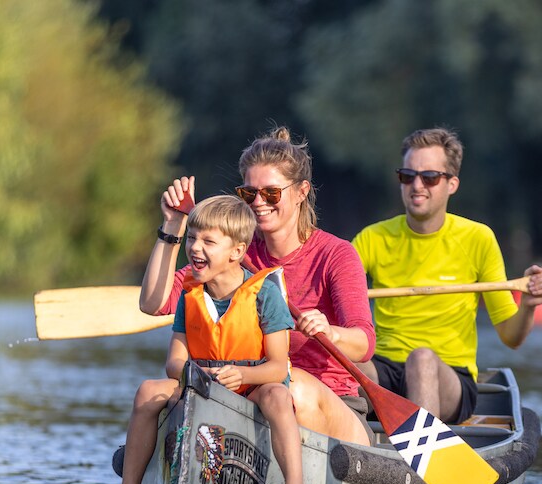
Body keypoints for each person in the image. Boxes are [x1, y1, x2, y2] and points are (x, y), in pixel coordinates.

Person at [140, 127, 374, 446]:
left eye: (272, 194)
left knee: (294, 389)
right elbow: (156, 303)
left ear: (302, 191)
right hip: (253, 396)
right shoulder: (237, 254)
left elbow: (364, 343)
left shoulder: (337, 255)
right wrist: (172, 227)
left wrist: (331, 332)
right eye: (250, 194)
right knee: (164, 393)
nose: (259, 203)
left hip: (329, 404)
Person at [91, 195, 309, 484]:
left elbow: (278, 367)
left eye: (208, 241)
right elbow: (174, 362)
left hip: (252, 386)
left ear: (237, 251)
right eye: (192, 238)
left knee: (278, 395)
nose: (195, 247)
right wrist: (198, 374)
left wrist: (241, 375)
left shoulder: (265, 294)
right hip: (202, 384)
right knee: (148, 390)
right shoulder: (190, 295)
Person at [352, 127, 542, 424]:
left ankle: (424, 461)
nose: (417, 185)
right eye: (408, 176)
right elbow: (330, 289)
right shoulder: (372, 238)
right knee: (342, 362)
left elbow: (512, 338)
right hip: (384, 369)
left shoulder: (478, 239)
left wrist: (528, 305)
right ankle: (344, 452)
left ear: (452, 184)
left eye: (429, 177)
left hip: (447, 378)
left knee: (421, 359)